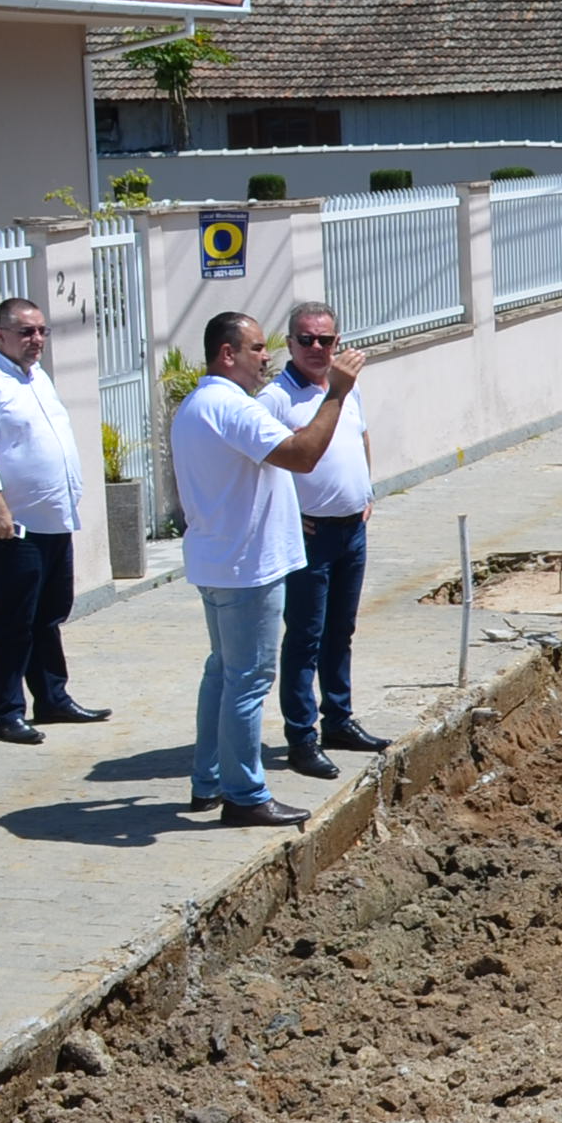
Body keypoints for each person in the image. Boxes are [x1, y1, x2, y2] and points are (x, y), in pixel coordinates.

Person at [169, 309, 366, 826]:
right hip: (247, 567)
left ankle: (207, 780)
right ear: (227, 354)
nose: (267, 357)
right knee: (249, 680)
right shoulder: (234, 407)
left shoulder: (197, 405)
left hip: (219, 562)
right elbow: (301, 454)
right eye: (257, 348)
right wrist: (337, 393)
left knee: (223, 673)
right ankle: (244, 793)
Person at [0, 295, 109, 744]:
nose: (36, 339)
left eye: (41, 331)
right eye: (26, 332)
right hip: (12, 524)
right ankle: (7, 709)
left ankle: (52, 698)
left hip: (54, 519)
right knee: (13, 618)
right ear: (0, 334)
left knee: (49, 613)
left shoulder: (36, 377)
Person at [263, 301, 389, 783]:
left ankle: (339, 718)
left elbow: (360, 437)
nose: (317, 349)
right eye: (306, 340)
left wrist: (367, 490)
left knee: (341, 631)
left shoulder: (345, 387)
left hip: (350, 529)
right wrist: (289, 513)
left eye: (326, 340)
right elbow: (261, 462)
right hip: (309, 536)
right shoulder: (276, 399)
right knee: (305, 637)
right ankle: (302, 736)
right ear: (290, 344)